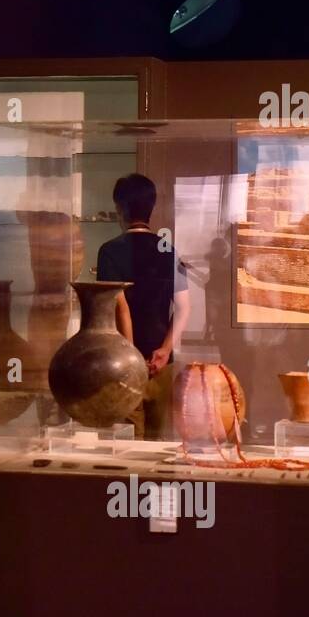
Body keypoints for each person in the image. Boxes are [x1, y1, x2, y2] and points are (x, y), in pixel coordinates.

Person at [96, 173, 191, 439]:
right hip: (162, 363)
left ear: (119, 208)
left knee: (127, 443)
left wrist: (130, 356)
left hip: (123, 364)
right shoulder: (169, 250)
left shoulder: (110, 251)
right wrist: (164, 349)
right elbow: (184, 307)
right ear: (151, 208)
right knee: (157, 443)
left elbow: (119, 305)